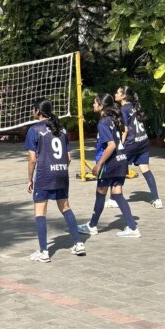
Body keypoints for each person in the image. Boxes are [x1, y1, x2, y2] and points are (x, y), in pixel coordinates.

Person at [25, 100, 86, 262]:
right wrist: (60, 169)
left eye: (33, 109)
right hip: (62, 172)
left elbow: (32, 159)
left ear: (37, 111)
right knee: (65, 207)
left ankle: (44, 252)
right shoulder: (61, 129)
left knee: (40, 211)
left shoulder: (34, 130)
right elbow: (68, 157)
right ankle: (79, 243)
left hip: (45, 174)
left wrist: (30, 179)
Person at [78, 94, 141, 238]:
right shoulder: (114, 119)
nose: (93, 105)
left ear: (101, 106)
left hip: (110, 164)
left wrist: (99, 164)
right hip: (121, 160)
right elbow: (124, 133)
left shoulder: (103, 122)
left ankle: (92, 226)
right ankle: (132, 227)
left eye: (95, 103)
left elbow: (111, 145)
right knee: (117, 194)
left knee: (100, 193)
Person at [116, 86, 162, 208]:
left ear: (123, 96)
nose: (115, 94)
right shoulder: (134, 106)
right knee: (145, 168)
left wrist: (120, 146)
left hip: (132, 143)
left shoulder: (123, 109)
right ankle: (157, 199)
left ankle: (115, 198)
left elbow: (125, 130)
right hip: (143, 141)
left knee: (119, 167)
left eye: (117, 92)